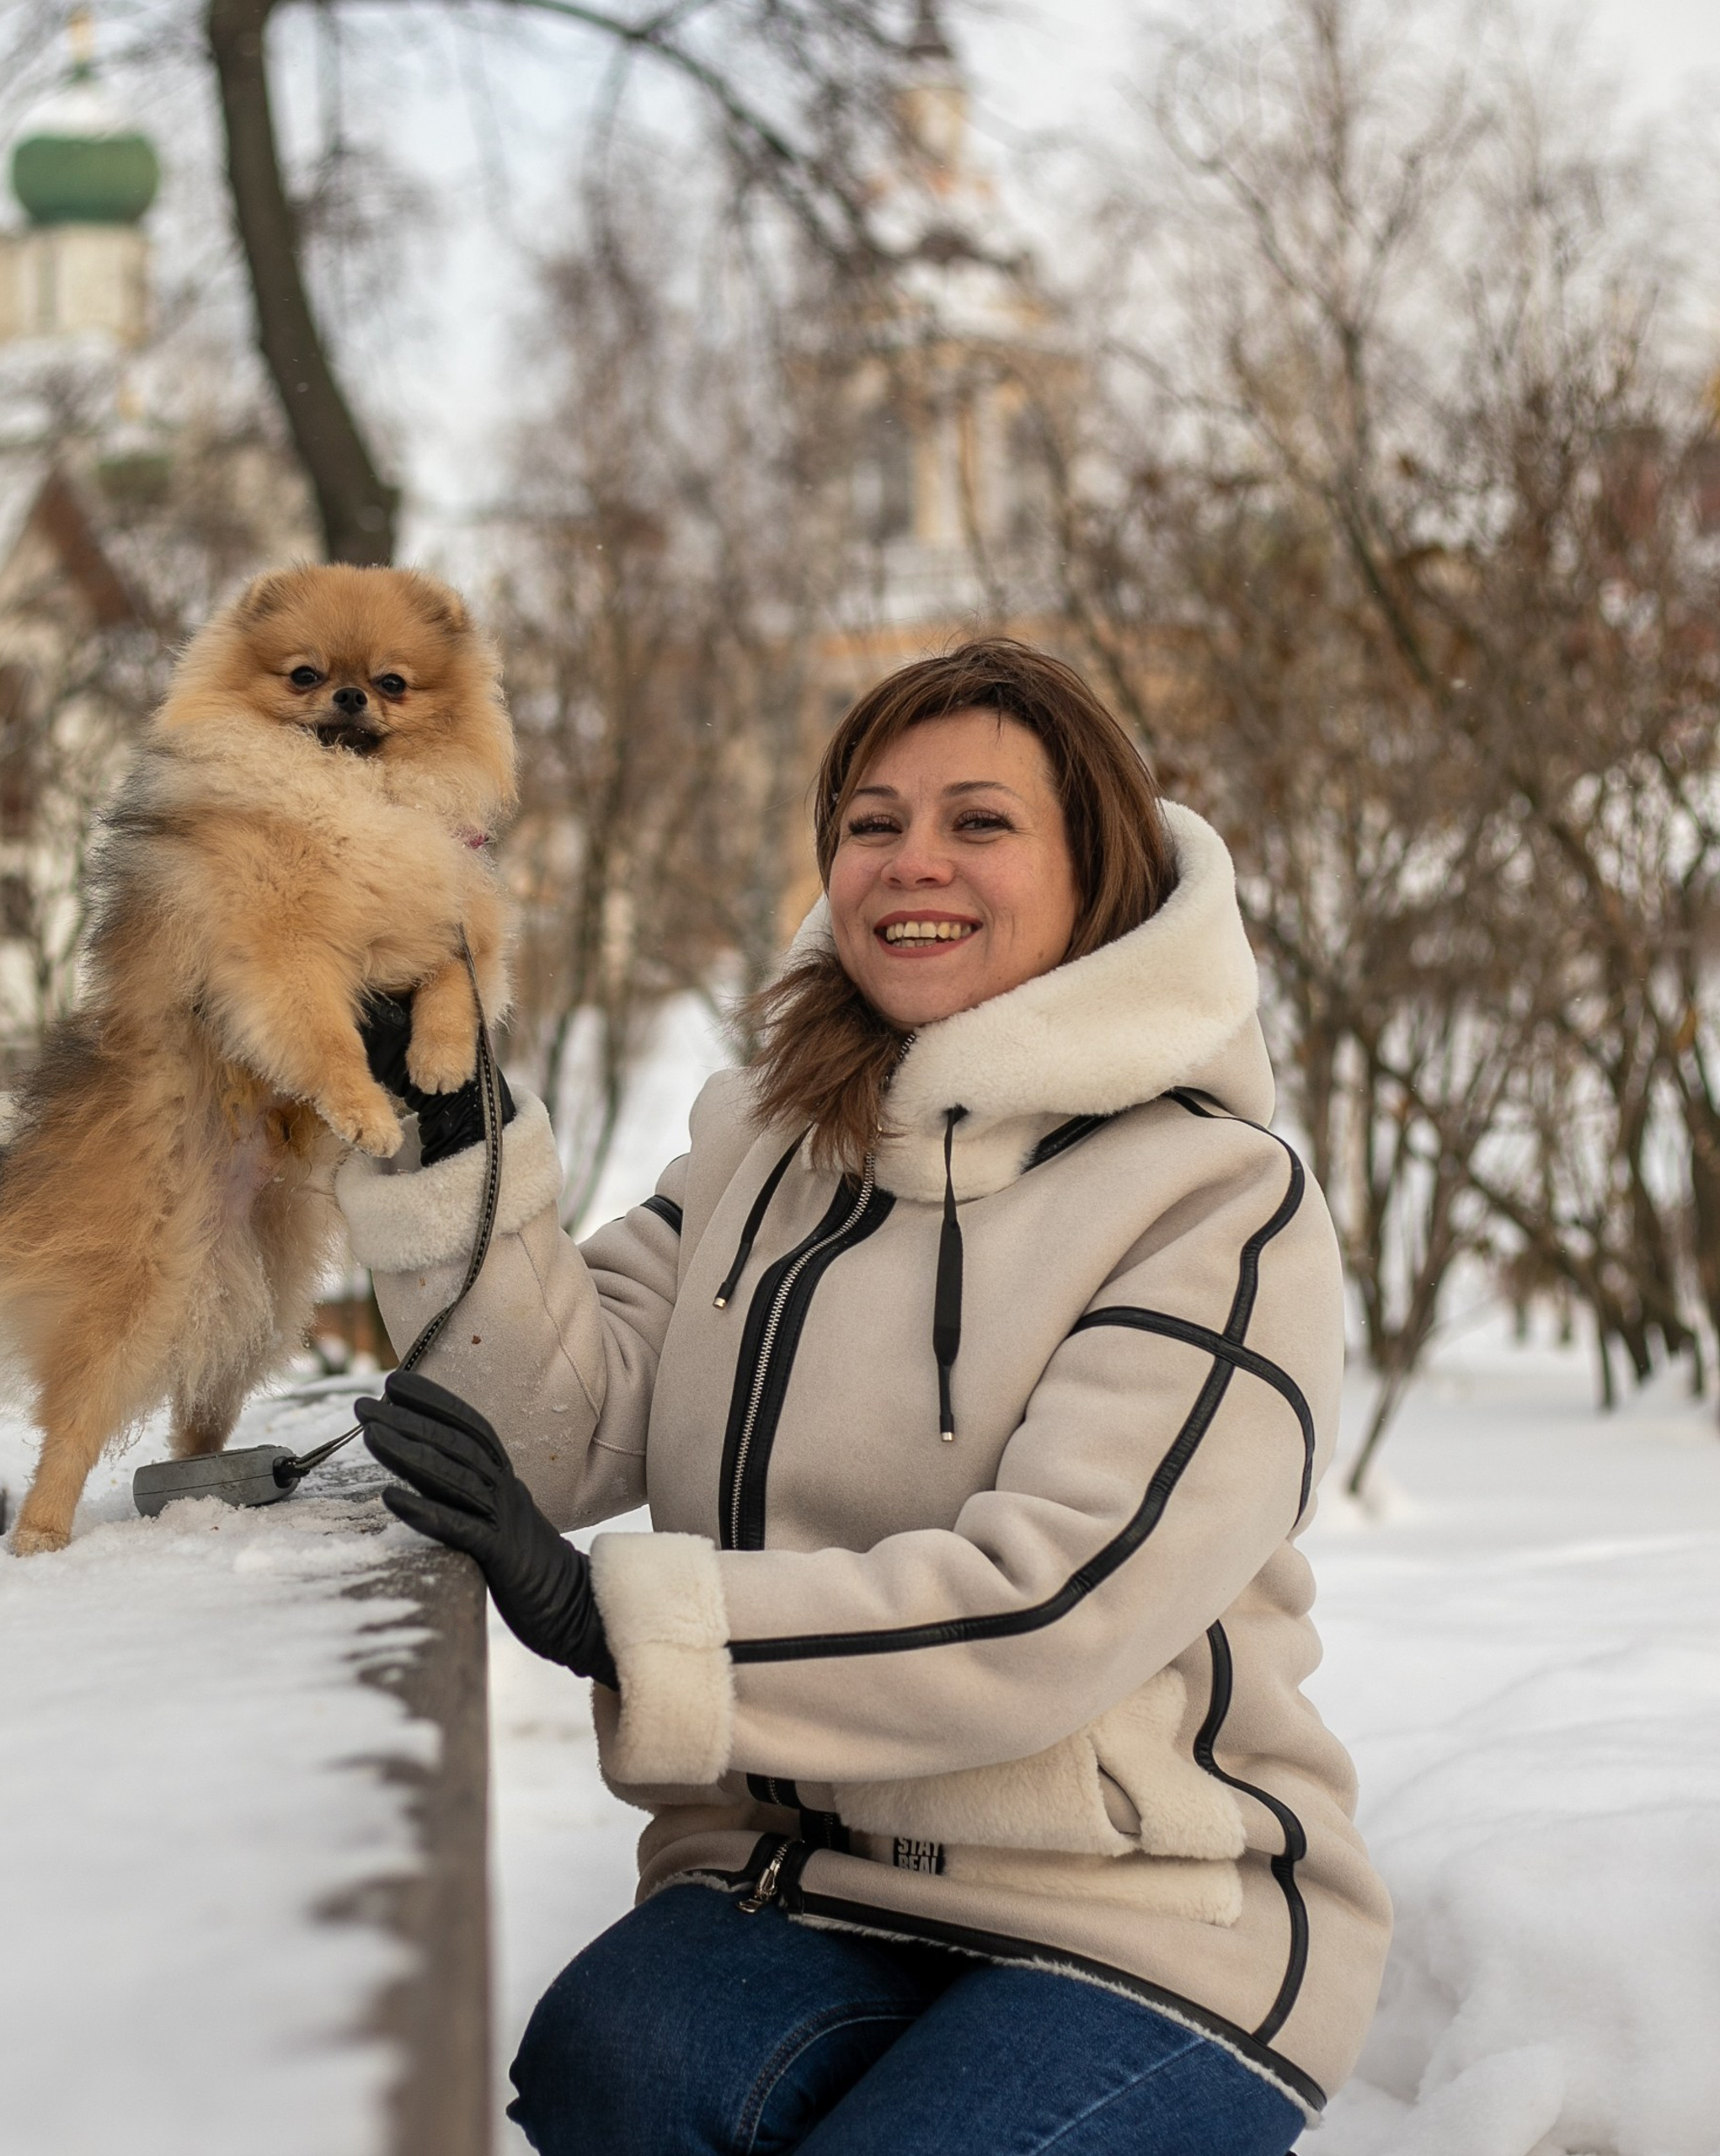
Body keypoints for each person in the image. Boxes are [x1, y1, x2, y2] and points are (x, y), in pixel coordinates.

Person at [345, 638, 1390, 2155]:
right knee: (610, 2065)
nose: (915, 864)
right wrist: (444, 1121)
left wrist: (614, 1619)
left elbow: (1048, 1608)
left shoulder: (1213, 1201)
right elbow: (565, 1426)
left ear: (1092, 867)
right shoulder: (769, 1146)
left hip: (1149, 1916)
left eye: (981, 823)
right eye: (870, 822)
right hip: (804, 1880)